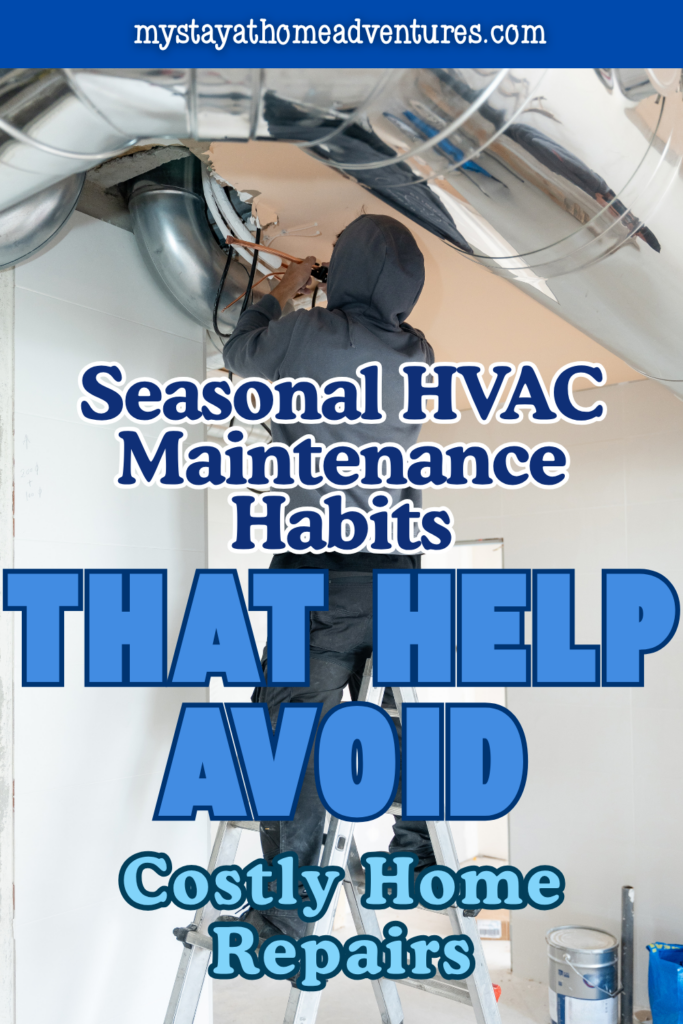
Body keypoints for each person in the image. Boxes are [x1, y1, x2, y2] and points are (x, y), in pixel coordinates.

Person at [222, 213, 436, 941]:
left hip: (326, 566)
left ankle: (284, 917)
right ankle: (417, 838)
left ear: (341, 271)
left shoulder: (304, 336)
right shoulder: (418, 352)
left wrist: (277, 292)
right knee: (390, 698)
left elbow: (239, 354)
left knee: (290, 722)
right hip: (401, 564)